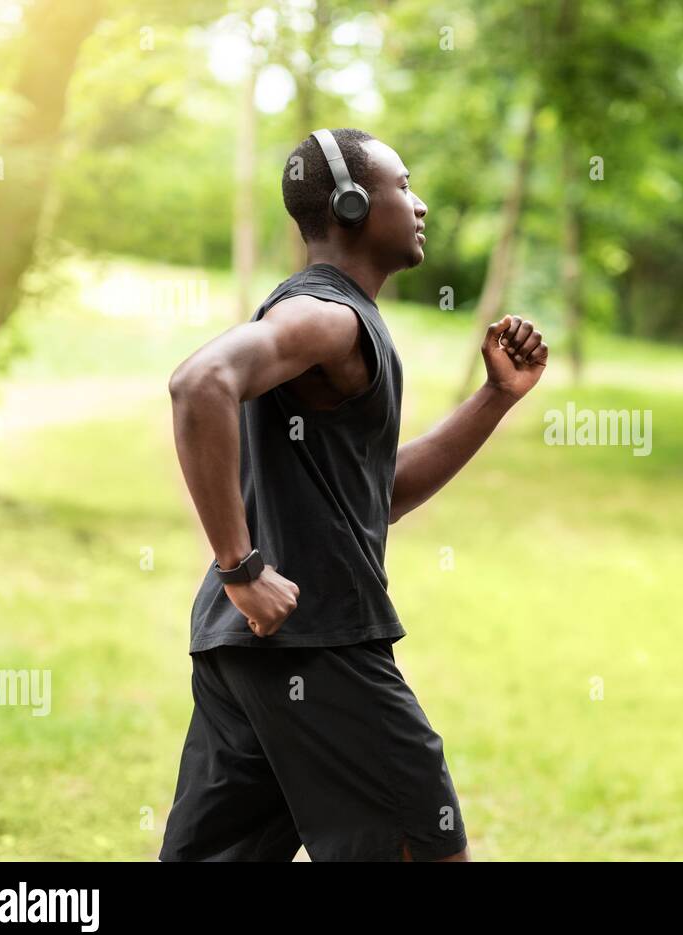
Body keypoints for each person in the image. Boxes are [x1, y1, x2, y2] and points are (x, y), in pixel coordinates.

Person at [158, 128, 546, 861]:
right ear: (352, 203)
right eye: (404, 186)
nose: (421, 204)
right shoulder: (327, 318)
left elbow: (376, 494)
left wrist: (494, 398)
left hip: (247, 654)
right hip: (319, 643)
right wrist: (240, 568)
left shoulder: (334, 323)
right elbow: (198, 382)